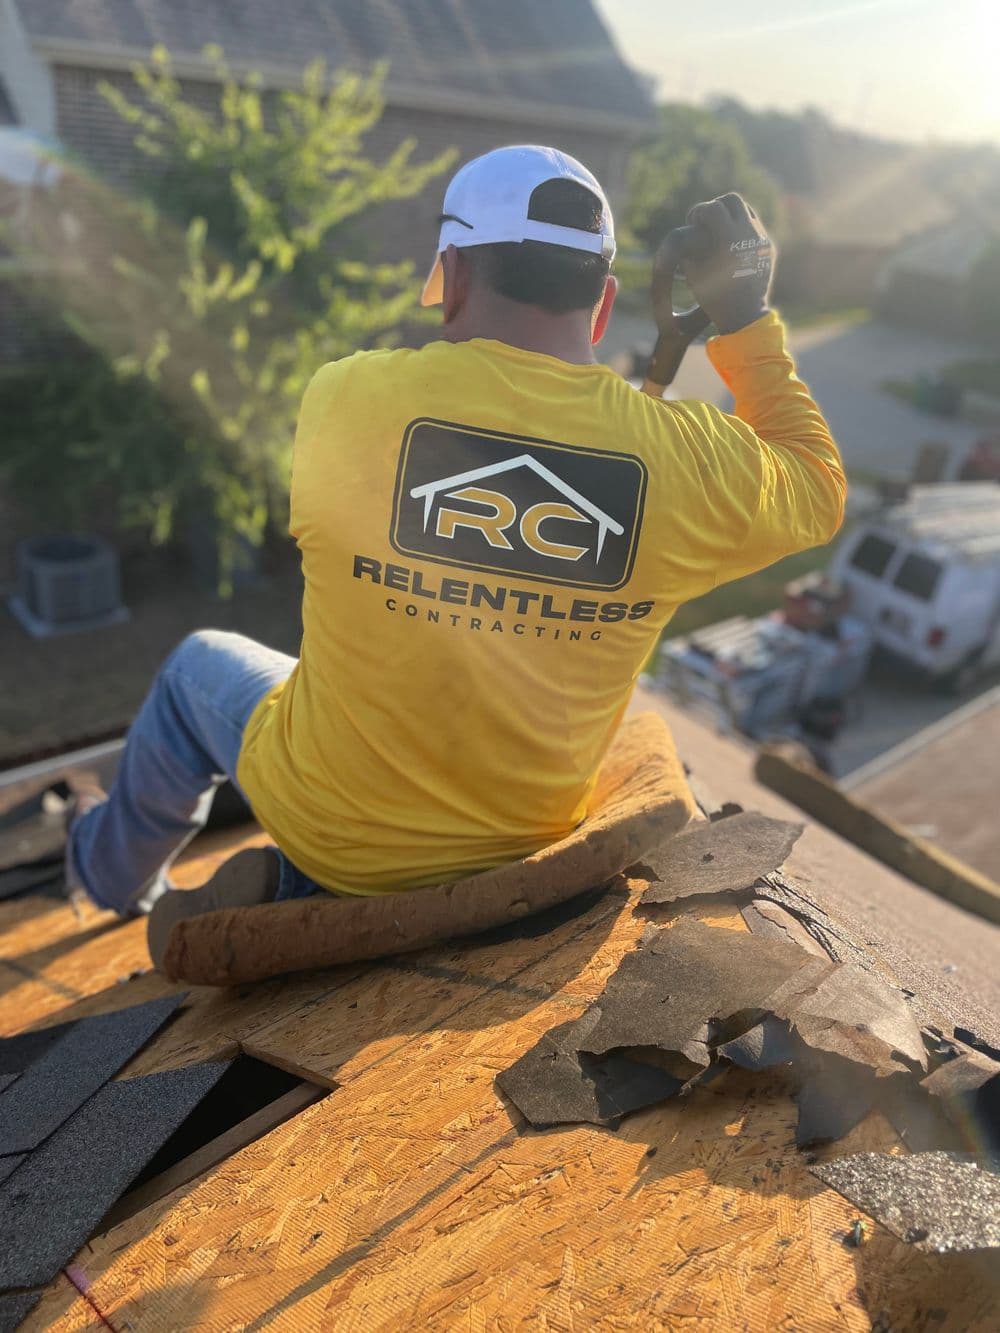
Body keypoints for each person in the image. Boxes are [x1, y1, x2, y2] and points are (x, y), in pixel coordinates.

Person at [64, 145, 845, 963]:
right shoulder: (689, 462)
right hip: (515, 844)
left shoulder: (345, 397)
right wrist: (747, 321)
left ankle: (105, 872)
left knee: (196, 667)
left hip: (334, 832)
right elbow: (819, 484)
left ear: (456, 276)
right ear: (605, 304)